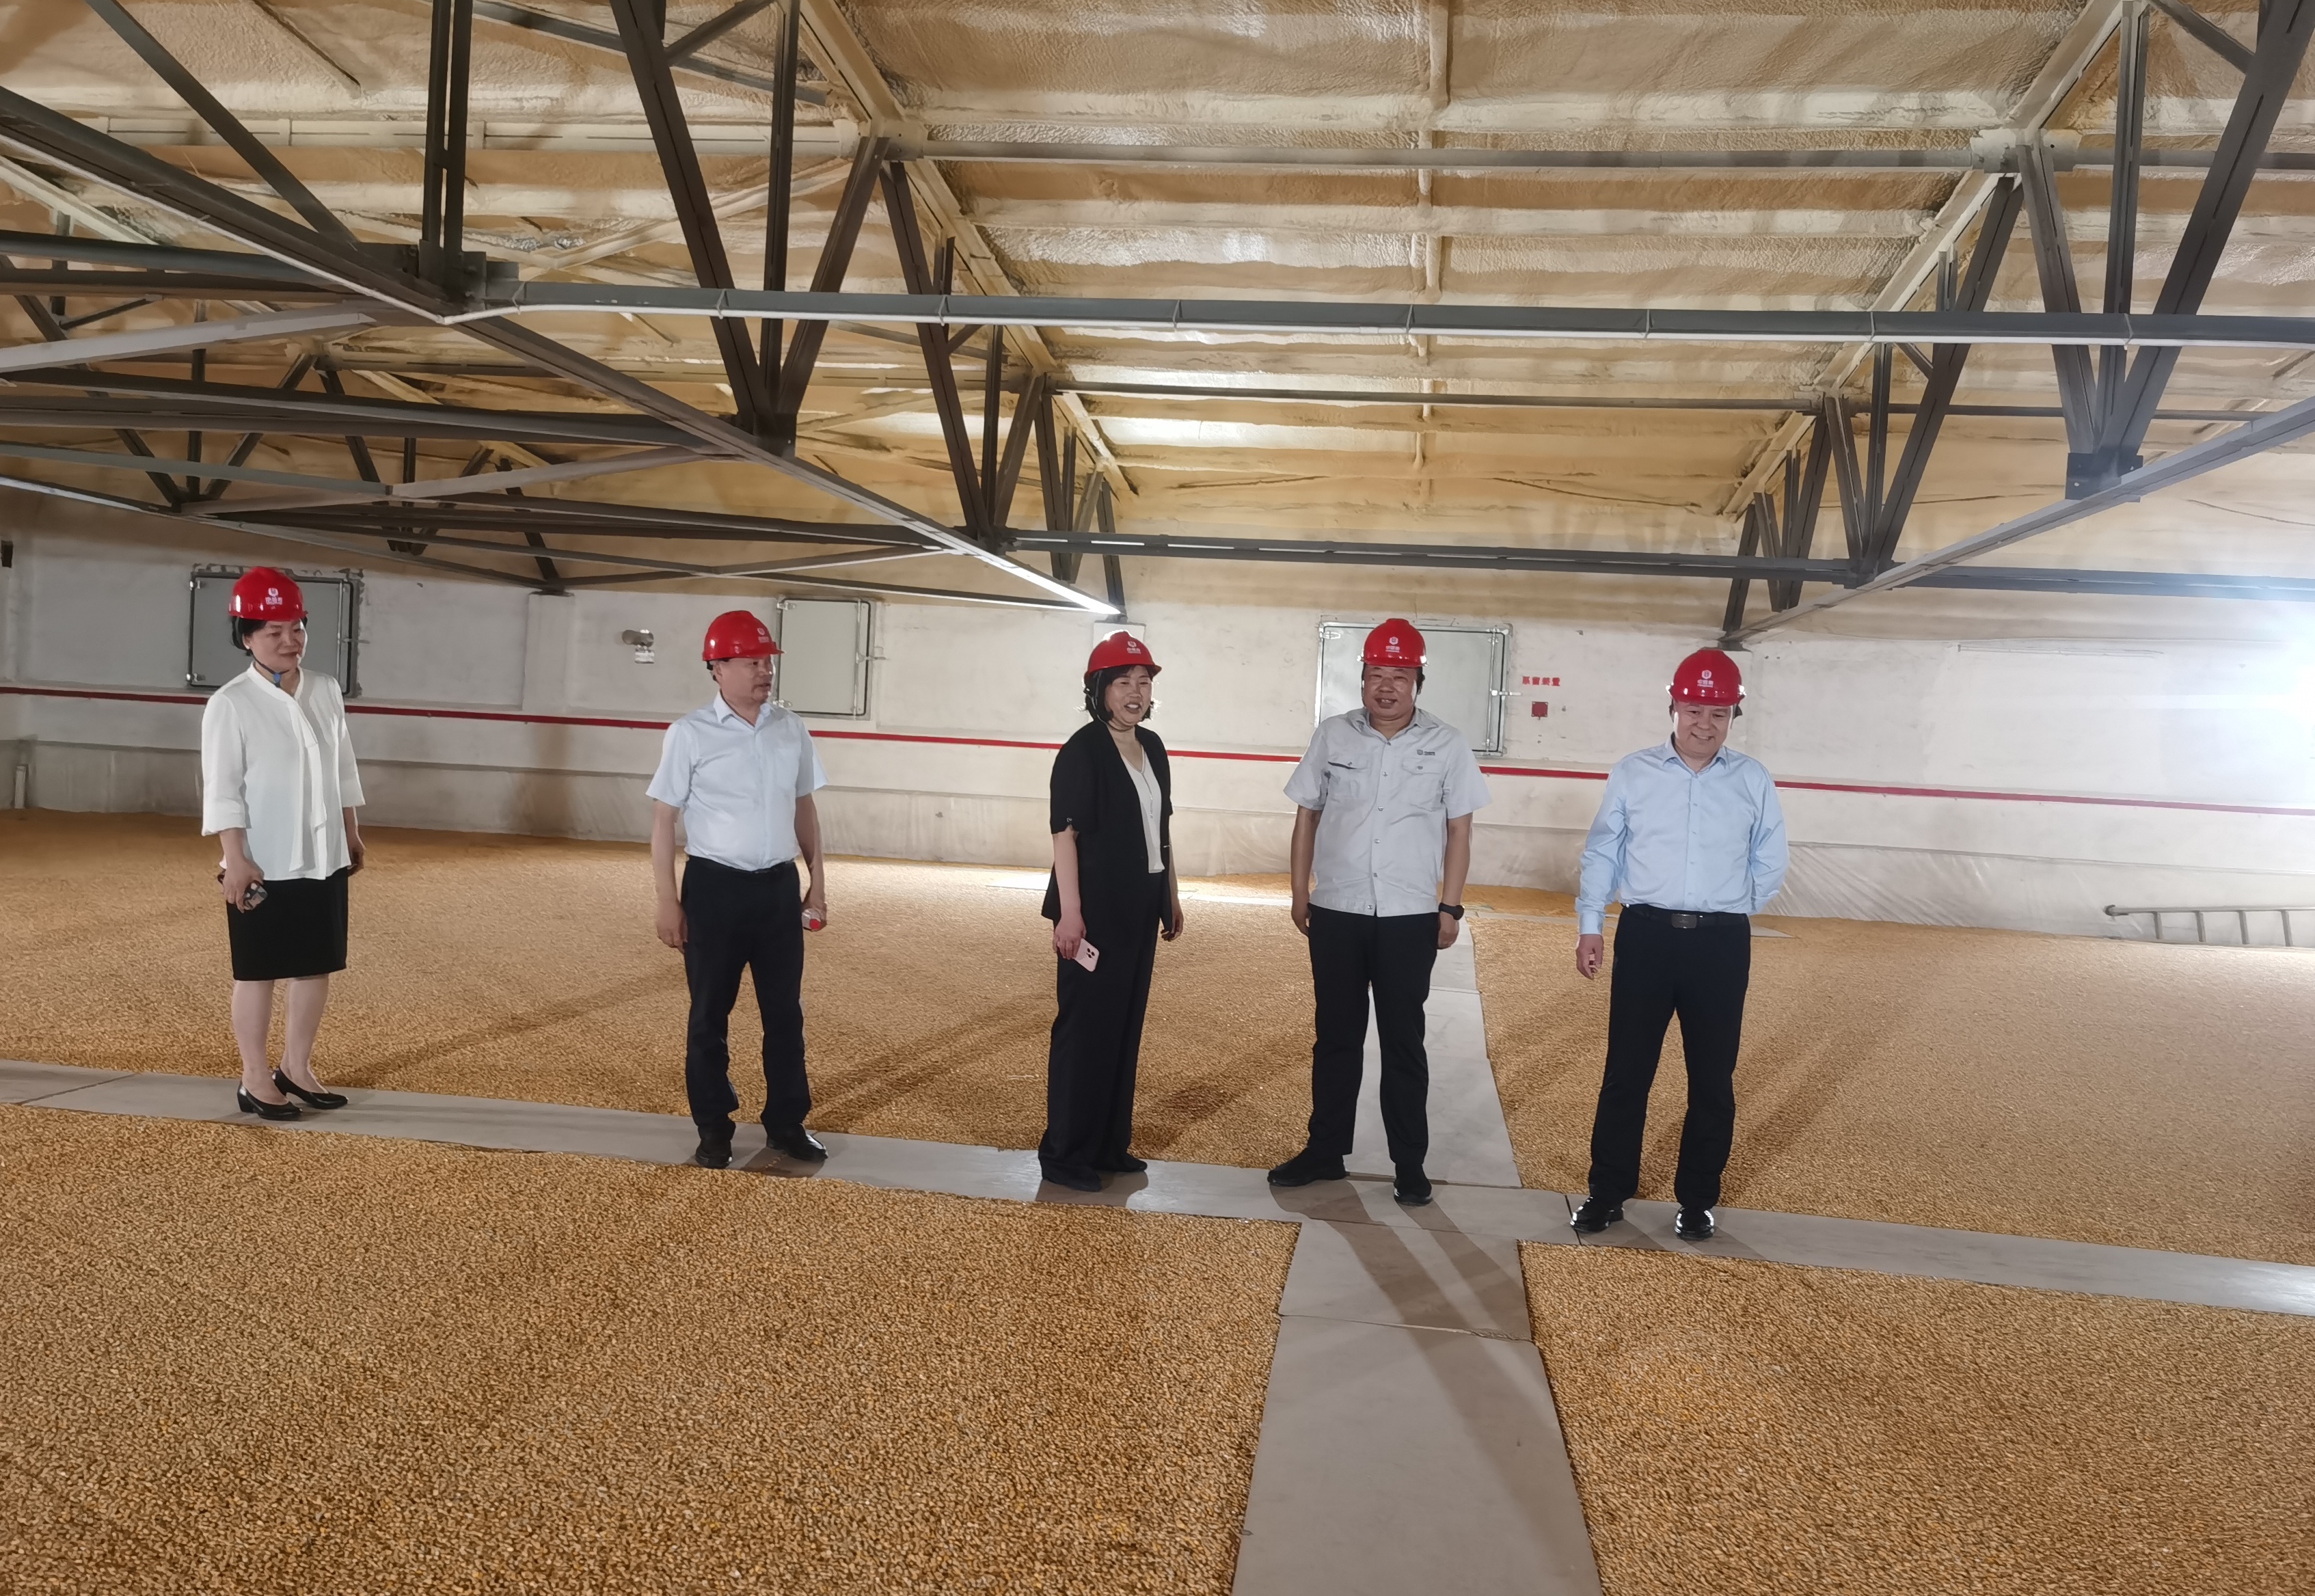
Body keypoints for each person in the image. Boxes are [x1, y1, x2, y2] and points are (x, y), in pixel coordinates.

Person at [1269, 619, 1490, 1208]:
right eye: (1375, 674)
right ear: (1361, 677)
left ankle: (1409, 1163)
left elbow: (1460, 829)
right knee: (1335, 1037)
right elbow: (1306, 814)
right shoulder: (1332, 735)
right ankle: (1325, 1151)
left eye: (1399, 675)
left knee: (1403, 1041)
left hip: (1408, 917)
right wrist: (1298, 892)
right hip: (1337, 910)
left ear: (1417, 680)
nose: (1386, 686)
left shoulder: (1447, 744)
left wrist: (1449, 906)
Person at [1570, 648, 1789, 1241]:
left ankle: (1696, 1200)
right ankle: (1606, 1191)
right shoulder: (1633, 772)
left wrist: (1732, 904)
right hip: (1645, 936)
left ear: (1733, 715)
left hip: (1721, 946)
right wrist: (1591, 923)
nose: (1704, 724)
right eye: (1693, 709)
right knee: (1626, 1073)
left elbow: (1770, 856)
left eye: (1718, 713)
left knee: (1712, 1079)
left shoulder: (1751, 779)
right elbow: (1603, 850)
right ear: (1672, 707)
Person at [648, 609, 830, 1170]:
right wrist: (668, 901)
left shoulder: (790, 729)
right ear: (717, 667)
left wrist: (816, 884)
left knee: (785, 1015)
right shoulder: (689, 734)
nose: (764, 672)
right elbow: (663, 820)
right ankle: (713, 1128)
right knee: (709, 1015)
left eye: (767, 662)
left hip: (777, 889)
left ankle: (786, 1123)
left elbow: (804, 808)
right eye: (752, 662)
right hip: (713, 890)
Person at [199, 567, 365, 1121]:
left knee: (315, 965)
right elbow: (222, 789)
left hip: (323, 854)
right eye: (274, 632)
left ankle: (296, 1067)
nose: (290, 640)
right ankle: (254, 1077)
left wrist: (351, 831)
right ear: (246, 637)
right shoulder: (231, 703)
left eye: (297, 628)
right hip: (262, 861)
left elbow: (343, 767)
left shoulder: (326, 689)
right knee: (257, 970)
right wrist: (236, 858)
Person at [1040, 631, 1184, 1192]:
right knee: (1085, 1031)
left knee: (1123, 1027)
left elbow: (1160, 826)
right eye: (1122, 681)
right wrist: (1070, 914)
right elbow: (1065, 834)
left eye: (1143, 682)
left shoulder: (1153, 747)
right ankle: (1065, 1152)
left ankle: (1108, 1144)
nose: (1135, 692)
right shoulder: (1082, 751)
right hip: (1094, 910)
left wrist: (1170, 894)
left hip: (1140, 905)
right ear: (1098, 689)